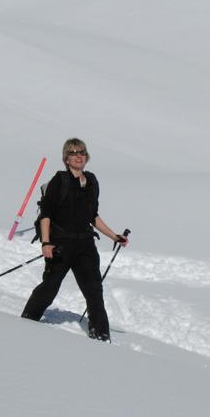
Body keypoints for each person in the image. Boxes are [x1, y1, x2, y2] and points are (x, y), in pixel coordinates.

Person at [21, 138, 129, 342]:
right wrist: (46, 243)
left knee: (94, 292)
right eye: (73, 153)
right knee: (50, 287)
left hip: (85, 245)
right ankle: (27, 321)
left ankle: (101, 337)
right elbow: (46, 214)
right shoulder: (59, 180)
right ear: (66, 159)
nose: (78, 155)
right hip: (60, 245)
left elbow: (93, 216)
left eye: (82, 152)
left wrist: (115, 236)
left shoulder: (92, 181)